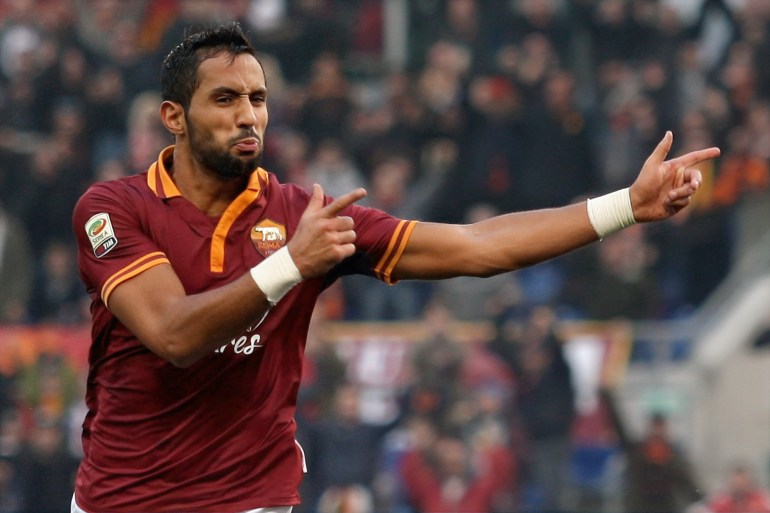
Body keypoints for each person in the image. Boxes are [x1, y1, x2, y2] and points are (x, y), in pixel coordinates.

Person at [70, 22, 720, 513]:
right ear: (173, 118)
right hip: (121, 500)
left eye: (258, 97)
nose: (248, 114)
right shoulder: (114, 209)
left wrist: (625, 207)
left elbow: (476, 246)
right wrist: (292, 264)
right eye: (224, 98)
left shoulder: (305, 214)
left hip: (253, 499)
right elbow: (174, 336)